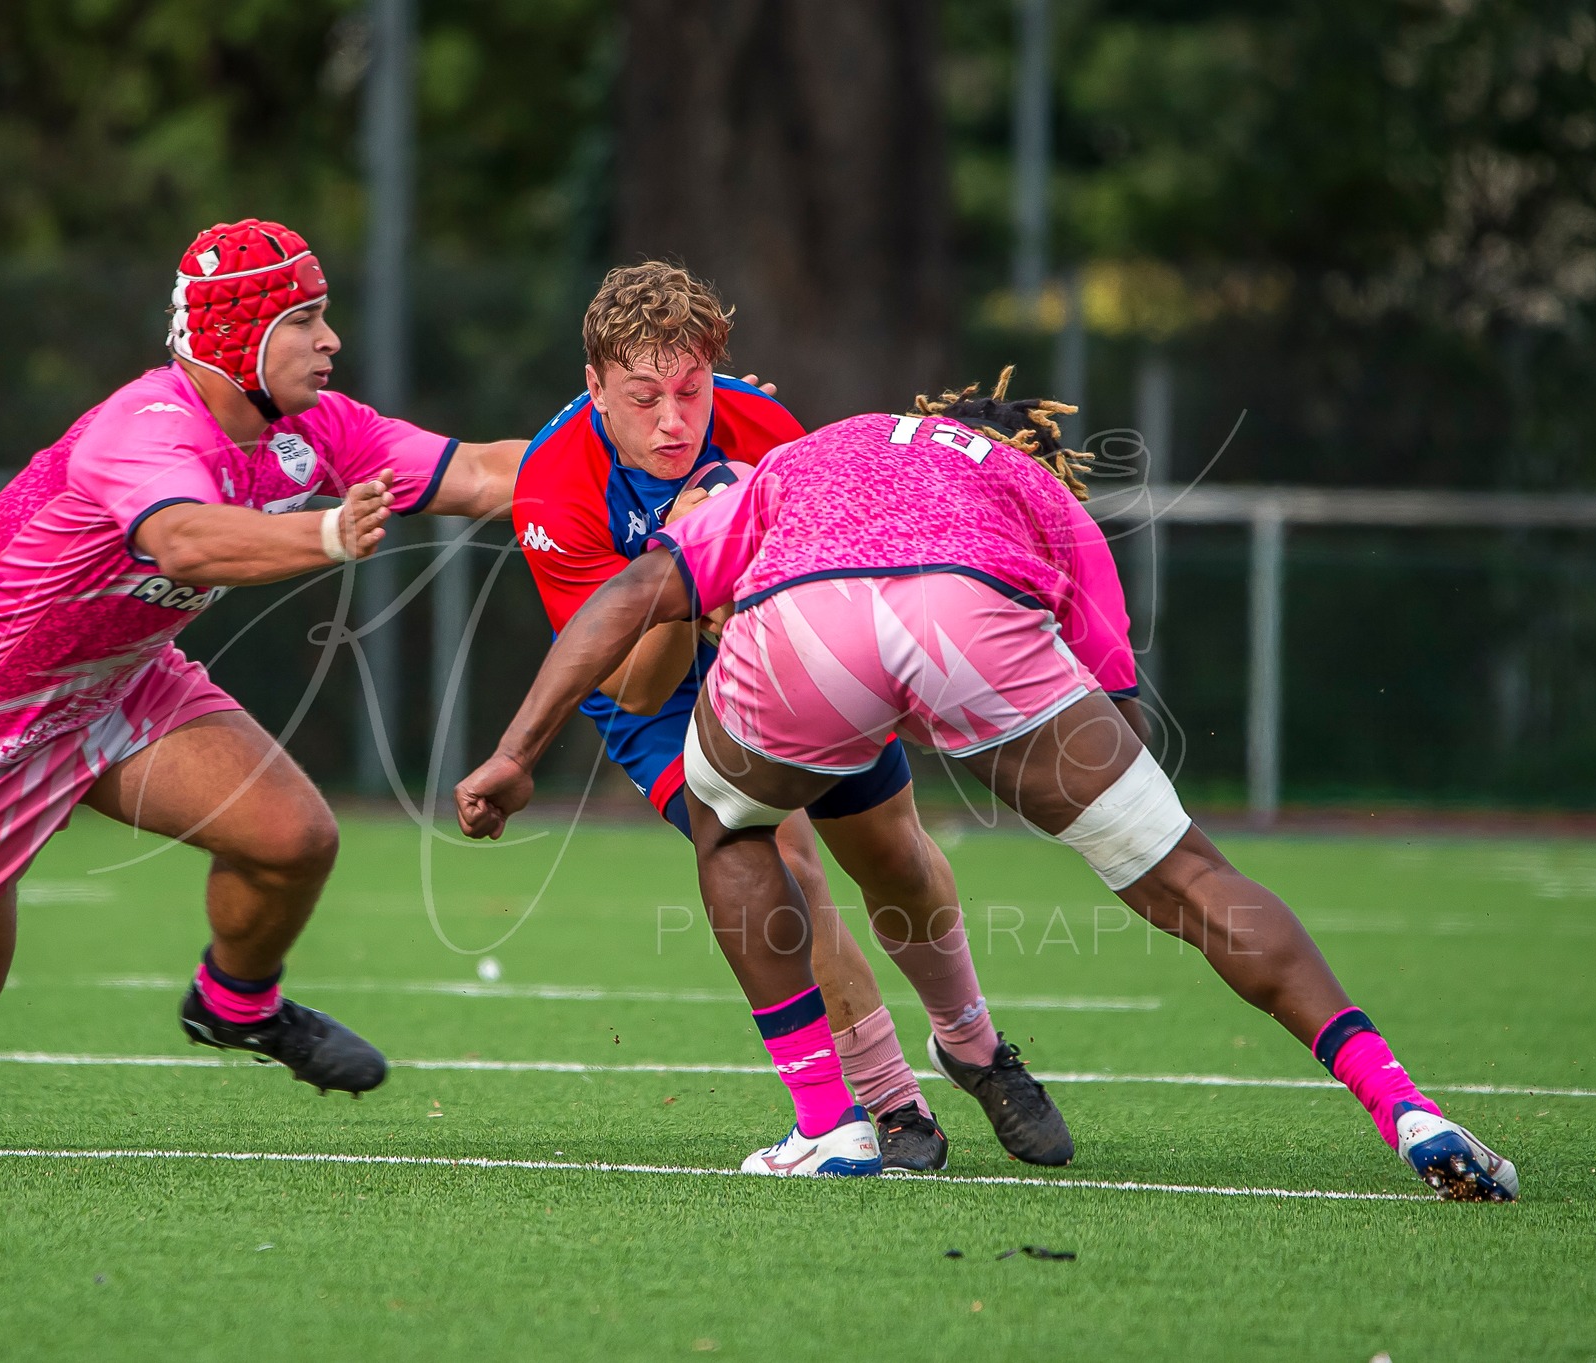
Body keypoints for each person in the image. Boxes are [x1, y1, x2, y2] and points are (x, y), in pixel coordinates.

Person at [459, 372, 1519, 1199]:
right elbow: (1118, 701)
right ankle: (1405, 1109)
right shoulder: (1036, 491)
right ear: (1029, 447)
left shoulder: (827, 443)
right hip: (970, 619)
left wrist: (515, 753)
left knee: (730, 827)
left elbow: (642, 589)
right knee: (1190, 875)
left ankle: (828, 1126)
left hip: (803, 629)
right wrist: (1112, 826)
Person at [0, 219, 526, 1146]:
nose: (330, 340)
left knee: (293, 837)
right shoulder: (143, 427)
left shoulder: (315, 427)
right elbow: (183, 538)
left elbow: (478, 473)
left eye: (325, 316)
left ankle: (236, 1004)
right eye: (305, 319)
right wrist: (324, 536)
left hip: (112, 686)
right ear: (238, 338)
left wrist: (634, 458)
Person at [511, 266, 1072, 1173]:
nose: (671, 421)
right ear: (594, 389)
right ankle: (887, 1106)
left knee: (891, 849)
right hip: (651, 685)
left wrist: (743, 591)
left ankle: (971, 1044)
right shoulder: (552, 487)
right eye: (642, 397)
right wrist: (685, 569)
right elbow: (638, 688)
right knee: (780, 853)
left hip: (775, 641)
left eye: (690, 391)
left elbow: (826, 567)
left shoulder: (767, 427)